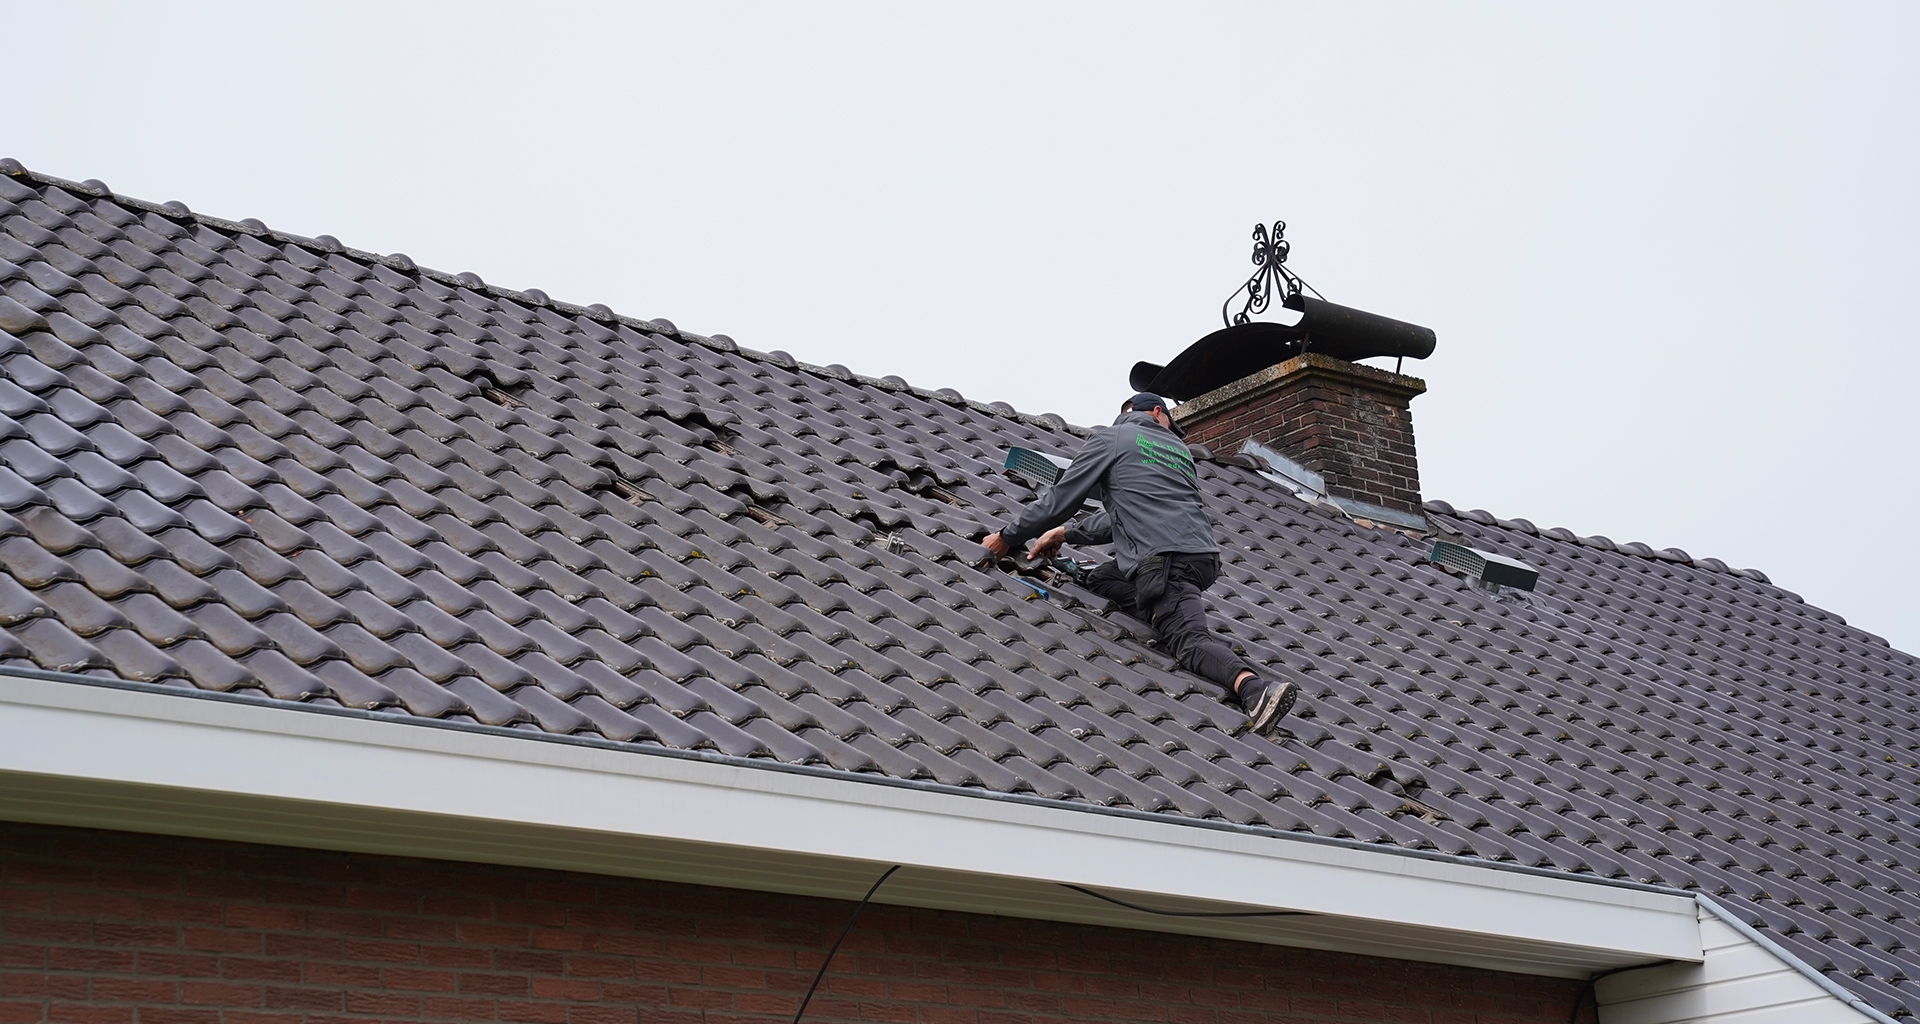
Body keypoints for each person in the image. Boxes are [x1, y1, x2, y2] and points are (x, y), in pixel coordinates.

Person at [981, 392, 1297, 735]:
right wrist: (1066, 534)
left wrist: (1007, 537)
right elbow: (1125, 516)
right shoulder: (1179, 453)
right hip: (1201, 557)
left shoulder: (1111, 438)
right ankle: (1161, 609)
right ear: (1158, 413)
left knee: (1187, 641)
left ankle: (1254, 688)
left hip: (1167, 561)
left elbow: (1060, 499)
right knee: (1101, 578)